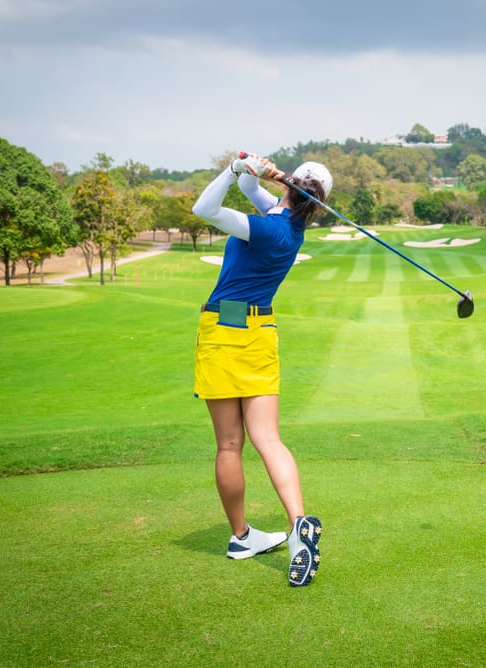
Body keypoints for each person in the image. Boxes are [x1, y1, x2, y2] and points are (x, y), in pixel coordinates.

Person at [191, 152, 330, 587]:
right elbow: (257, 194)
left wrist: (233, 170)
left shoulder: (268, 227)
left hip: (223, 327)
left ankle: (240, 536)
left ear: (290, 189)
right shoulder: (290, 228)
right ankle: (297, 524)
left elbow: (204, 210)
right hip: (260, 330)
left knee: (230, 445)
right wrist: (254, 172)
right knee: (268, 438)